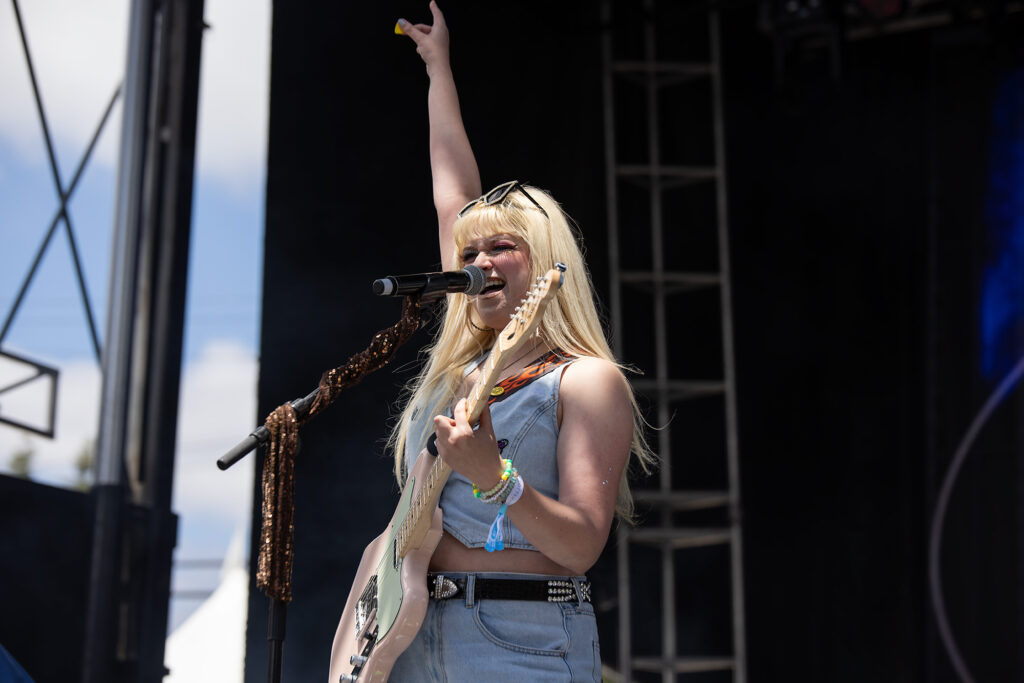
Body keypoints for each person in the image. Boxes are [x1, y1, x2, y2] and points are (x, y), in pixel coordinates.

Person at [389, 3, 654, 680]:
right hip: (415, 631)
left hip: (517, 636)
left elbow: (582, 542)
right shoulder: (467, 365)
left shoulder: (585, 379)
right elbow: (453, 195)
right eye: (469, 250)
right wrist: (437, 69)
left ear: (542, 261)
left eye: (501, 246)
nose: (477, 259)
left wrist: (496, 478)